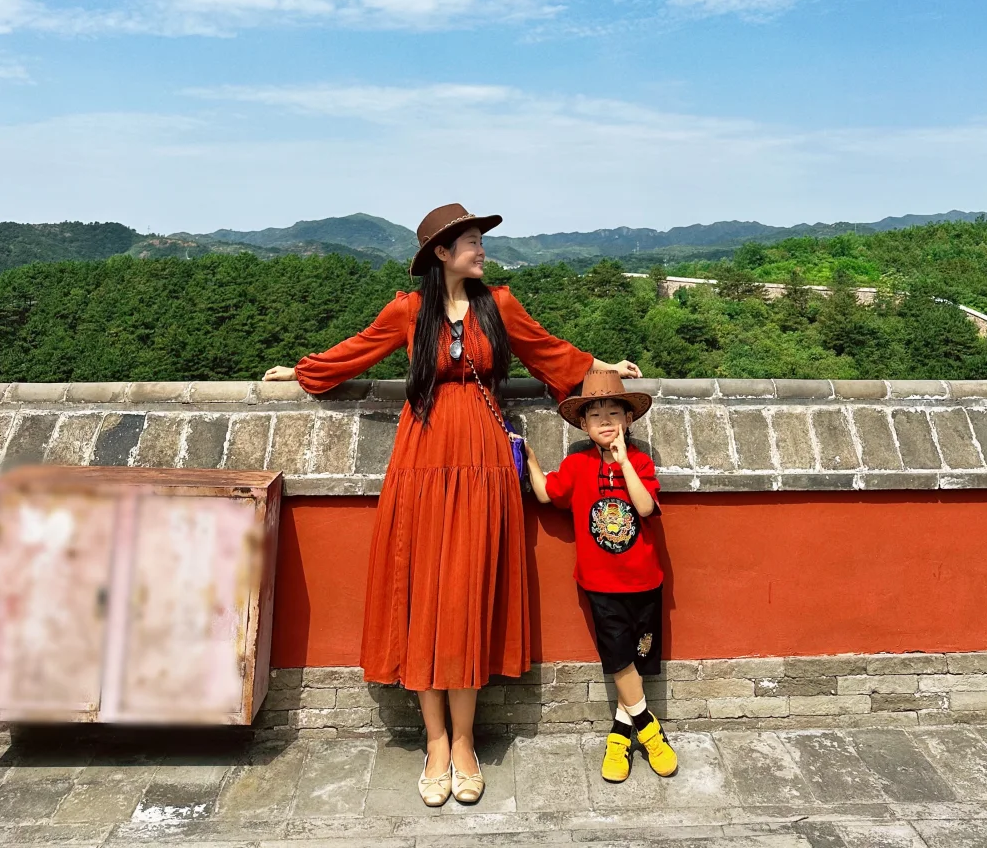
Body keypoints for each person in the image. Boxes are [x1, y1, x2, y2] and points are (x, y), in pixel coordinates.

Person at [263, 203, 642, 808]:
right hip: (421, 457)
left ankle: (464, 742)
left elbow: (550, 352)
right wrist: (304, 373)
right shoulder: (409, 310)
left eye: (478, 240)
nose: (480, 249)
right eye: (469, 241)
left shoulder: (501, 306)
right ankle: (434, 742)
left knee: (466, 591)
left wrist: (602, 369)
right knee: (423, 590)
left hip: (486, 459)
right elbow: (359, 349)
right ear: (441, 253)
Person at [525, 366, 678, 784]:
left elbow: (645, 508)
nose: (606, 420)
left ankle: (620, 732)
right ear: (583, 423)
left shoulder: (641, 461)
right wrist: (530, 457)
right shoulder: (576, 466)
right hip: (600, 583)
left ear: (628, 420)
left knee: (637, 658)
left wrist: (624, 460)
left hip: (644, 579)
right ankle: (649, 730)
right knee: (616, 657)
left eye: (614, 412)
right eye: (595, 414)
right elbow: (545, 493)